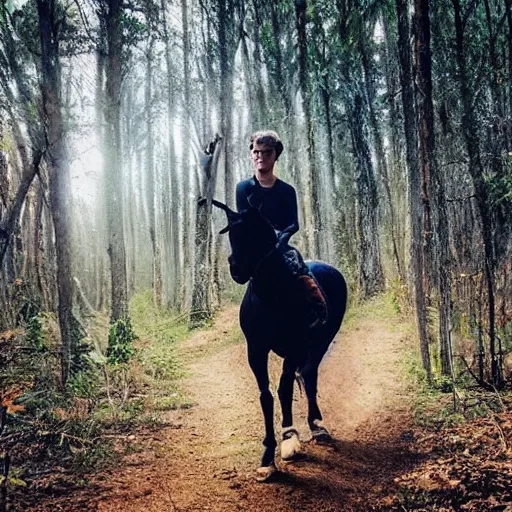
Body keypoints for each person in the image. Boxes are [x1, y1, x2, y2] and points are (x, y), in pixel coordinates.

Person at [236, 130, 328, 328]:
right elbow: (244, 221)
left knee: (298, 266)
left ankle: (317, 306)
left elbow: (293, 223)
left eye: (266, 152)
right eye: (256, 152)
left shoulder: (286, 191)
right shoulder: (243, 189)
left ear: (275, 155)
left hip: (280, 245)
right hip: (256, 247)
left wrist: (280, 239)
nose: (260, 157)